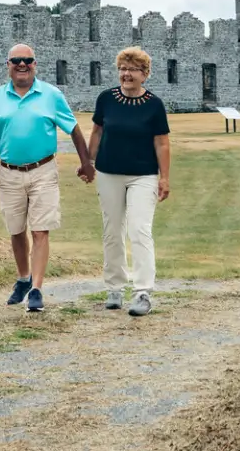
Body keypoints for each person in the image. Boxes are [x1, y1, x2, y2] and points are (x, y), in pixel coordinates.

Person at [0, 44, 94, 312]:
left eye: (27, 60)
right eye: (16, 60)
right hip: (9, 172)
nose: (22, 65)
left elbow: (74, 129)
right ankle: (23, 278)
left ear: (35, 64)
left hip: (43, 170)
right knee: (16, 230)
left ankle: (37, 289)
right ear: (7, 64)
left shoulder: (50, 95)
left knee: (40, 229)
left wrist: (86, 162)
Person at [88, 46, 170, 317]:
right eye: (122, 69)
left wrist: (164, 177)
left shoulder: (154, 105)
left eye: (132, 69)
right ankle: (114, 288)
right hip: (108, 173)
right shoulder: (106, 99)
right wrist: (88, 162)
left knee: (139, 230)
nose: (126, 74)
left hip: (143, 175)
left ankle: (143, 292)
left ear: (144, 74)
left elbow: (162, 142)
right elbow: (97, 132)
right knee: (112, 231)